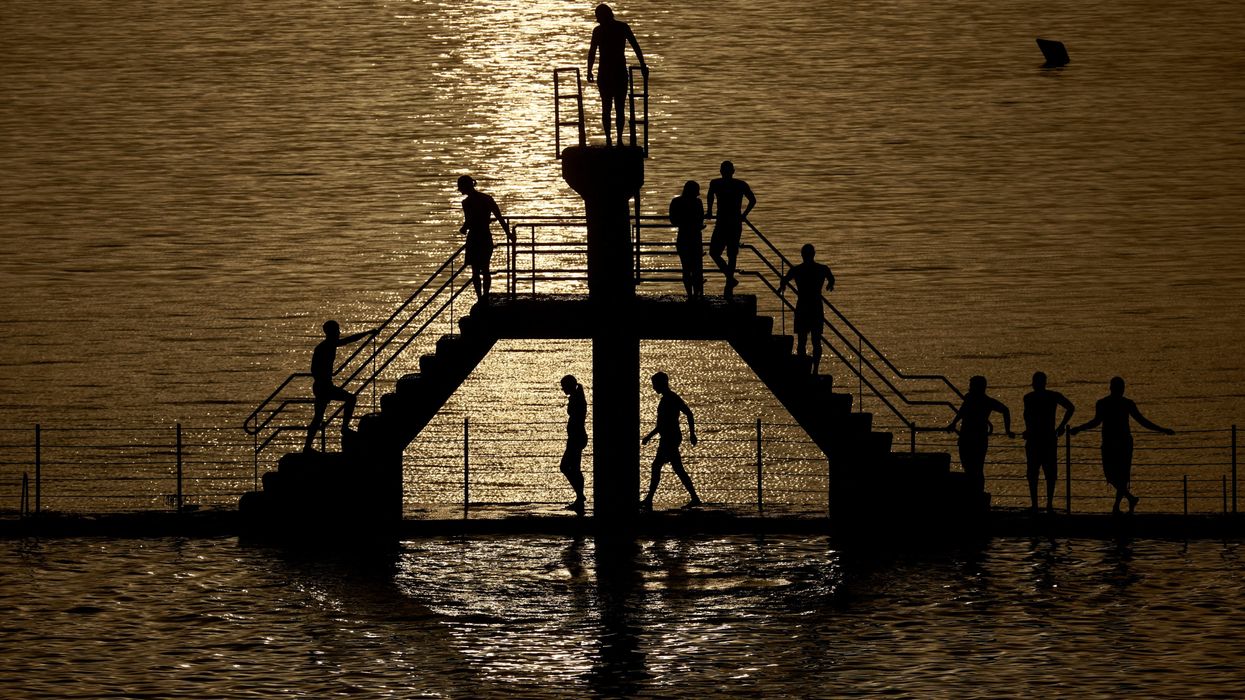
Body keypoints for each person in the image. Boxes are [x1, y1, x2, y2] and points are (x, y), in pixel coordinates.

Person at [1068, 376, 1175, 515]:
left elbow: (1141, 421)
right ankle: (1128, 499)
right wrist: (1079, 428)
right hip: (1116, 443)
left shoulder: (1118, 403)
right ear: (1114, 388)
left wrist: (1162, 430)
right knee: (1114, 475)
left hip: (1120, 442)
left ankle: (1118, 505)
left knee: (1119, 475)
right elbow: (1098, 421)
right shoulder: (1107, 403)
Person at [303, 320, 377, 453]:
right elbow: (314, 369)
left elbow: (348, 340)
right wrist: (367, 333)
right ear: (331, 332)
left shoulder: (328, 345)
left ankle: (307, 447)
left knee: (318, 417)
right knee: (350, 399)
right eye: (337, 330)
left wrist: (367, 333)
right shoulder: (325, 346)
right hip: (323, 386)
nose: (339, 333)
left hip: (323, 385)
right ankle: (343, 428)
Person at [586, 4, 647, 147]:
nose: (597, 19)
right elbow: (636, 46)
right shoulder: (621, 27)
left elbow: (592, 52)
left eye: (598, 16)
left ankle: (611, 139)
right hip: (617, 72)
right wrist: (642, 64)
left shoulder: (600, 31)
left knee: (608, 107)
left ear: (602, 16)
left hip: (608, 73)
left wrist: (589, 70)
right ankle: (616, 139)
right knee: (617, 107)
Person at [640, 372, 701, 510]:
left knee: (658, 466)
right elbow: (662, 424)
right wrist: (650, 436)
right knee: (675, 468)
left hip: (670, 438)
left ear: (661, 384)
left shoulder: (671, 398)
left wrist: (692, 434)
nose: (653, 387)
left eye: (655, 384)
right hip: (669, 437)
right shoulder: (669, 398)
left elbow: (688, 414)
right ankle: (694, 497)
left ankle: (649, 499)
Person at [946, 375, 1014, 498]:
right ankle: (976, 493)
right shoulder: (984, 401)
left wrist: (954, 423)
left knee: (973, 468)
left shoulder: (976, 400)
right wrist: (1007, 430)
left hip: (970, 438)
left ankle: (976, 494)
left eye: (971, 386)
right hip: (976, 438)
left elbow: (963, 411)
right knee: (975, 468)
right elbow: (1005, 410)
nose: (969, 388)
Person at [1022, 371, 1076, 514]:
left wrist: (1060, 426)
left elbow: (1028, 418)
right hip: (1046, 438)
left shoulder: (1029, 398)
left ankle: (1038, 505)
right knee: (1046, 472)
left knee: (1037, 472)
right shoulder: (1050, 396)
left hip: (1038, 439)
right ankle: (1047, 505)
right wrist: (1061, 426)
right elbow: (1070, 408)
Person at [778, 244, 835, 375]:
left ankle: (804, 369)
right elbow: (831, 277)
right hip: (815, 306)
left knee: (802, 341)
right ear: (813, 254)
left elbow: (784, 279)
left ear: (802, 255)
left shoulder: (797, 270)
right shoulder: (821, 269)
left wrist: (783, 286)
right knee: (815, 340)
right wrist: (830, 284)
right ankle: (814, 369)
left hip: (803, 306)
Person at [457, 174, 513, 303]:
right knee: (485, 269)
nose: (459, 190)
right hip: (485, 236)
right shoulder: (487, 199)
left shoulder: (466, 203)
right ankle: (485, 296)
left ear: (465, 187)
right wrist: (508, 234)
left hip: (474, 237)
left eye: (460, 187)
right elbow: (499, 218)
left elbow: (469, 221)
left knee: (475, 271)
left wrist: (463, 229)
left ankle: (480, 298)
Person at [705, 160, 756, 300]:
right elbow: (752, 200)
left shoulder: (716, 183)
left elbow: (710, 197)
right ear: (733, 171)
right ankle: (729, 280)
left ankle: (729, 281)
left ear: (721, 171)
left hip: (724, 223)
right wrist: (743, 215)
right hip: (733, 222)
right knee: (728, 254)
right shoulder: (739, 184)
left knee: (716, 253)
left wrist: (709, 211)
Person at [669, 180, 705, 299]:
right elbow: (701, 219)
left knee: (686, 268)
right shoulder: (698, 203)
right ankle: (696, 294)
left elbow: (673, 220)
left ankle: (690, 294)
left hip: (683, 237)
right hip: (695, 237)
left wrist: (684, 223)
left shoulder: (676, 201)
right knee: (696, 268)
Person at [559, 374, 588, 513]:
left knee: (565, 466)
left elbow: (576, 417)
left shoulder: (577, 398)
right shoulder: (577, 396)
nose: (562, 389)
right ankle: (579, 497)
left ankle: (580, 496)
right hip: (575, 437)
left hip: (576, 437)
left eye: (564, 386)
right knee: (574, 467)